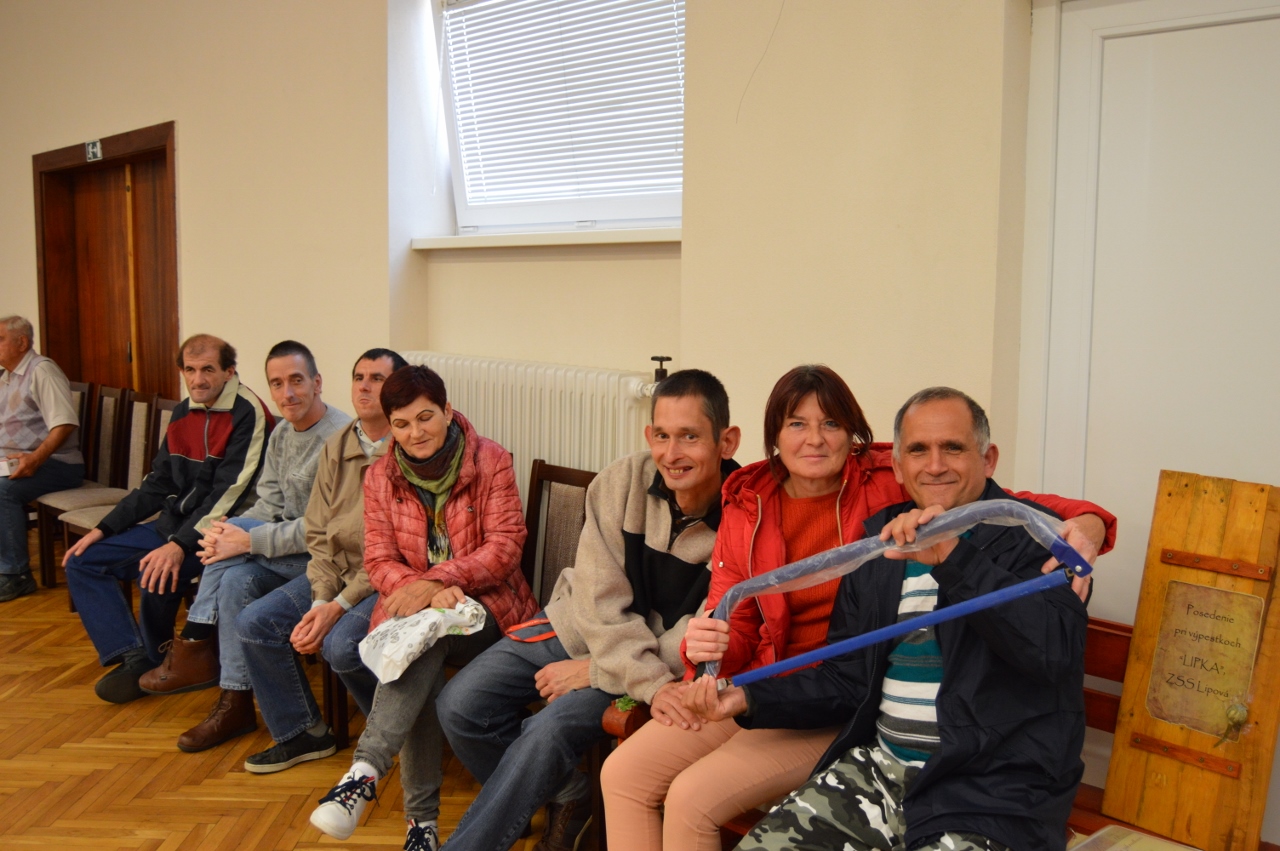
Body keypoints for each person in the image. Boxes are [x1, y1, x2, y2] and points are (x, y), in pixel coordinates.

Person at [600, 366, 1115, 851]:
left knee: (692, 797)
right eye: (796, 424)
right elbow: (838, 672)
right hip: (852, 744)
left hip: (981, 791)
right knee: (627, 775)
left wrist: (1082, 525)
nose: (935, 465)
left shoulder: (1023, 536)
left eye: (953, 448)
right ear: (901, 465)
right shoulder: (867, 535)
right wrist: (730, 678)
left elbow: (1050, 644)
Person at [434, 369, 743, 851]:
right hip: (581, 627)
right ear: (649, 436)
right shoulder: (621, 481)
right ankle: (569, 794)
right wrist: (601, 662)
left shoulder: (746, 518)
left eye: (690, 437)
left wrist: (597, 672)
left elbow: (699, 637)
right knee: (460, 705)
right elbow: (598, 598)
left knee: (546, 732)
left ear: (727, 441)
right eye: (663, 436)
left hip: (651, 666)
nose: (672, 453)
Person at [308, 364, 534, 851]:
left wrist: (440, 580)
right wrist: (426, 594)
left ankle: (371, 778)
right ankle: (420, 828)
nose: (415, 433)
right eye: (402, 424)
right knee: (422, 648)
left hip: (490, 608)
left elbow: (506, 547)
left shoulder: (491, 459)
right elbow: (378, 560)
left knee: (422, 638)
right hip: (417, 612)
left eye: (425, 417)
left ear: (447, 411)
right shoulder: (379, 475)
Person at [137, 341, 350, 753]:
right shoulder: (282, 433)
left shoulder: (340, 439)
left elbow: (330, 530)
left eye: (296, 381)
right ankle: (237, 703)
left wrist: (247, 539)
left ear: (317, 382)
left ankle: (196, 640)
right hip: (287, 555)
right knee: (233, 572)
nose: (287, 393)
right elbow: (268, 504)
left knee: (233, 541)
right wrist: (226, 533)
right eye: (277, 384)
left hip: (328, 562)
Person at [63, 334, 273, 704]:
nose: (198, 380)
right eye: (190, 370)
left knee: (157, 573)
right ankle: (134, 655)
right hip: (174, 524)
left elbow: (229, 494)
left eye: (208, 370)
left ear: (229, 372)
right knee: (82, 560)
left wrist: (177, 546)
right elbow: (157, 483)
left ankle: (162, 658)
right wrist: (103, 528)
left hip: (223, 532)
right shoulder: (183, 412)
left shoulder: (248, 412)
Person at [231, 348, 407, 771]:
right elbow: (318, 533)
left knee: (339, 644)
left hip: (384, 578)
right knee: (256, 622)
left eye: (378, 379)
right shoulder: (338, 445)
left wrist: (337, 606)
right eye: (359, 377)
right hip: (336, 575)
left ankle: (397, 734)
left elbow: (393, 553)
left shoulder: (406, 450)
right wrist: (320, 600)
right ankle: (303, 733)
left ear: (399, 391)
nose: (364, 387)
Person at [0, 315, 84, 603]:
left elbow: (65, 424)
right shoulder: (7, 375)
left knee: (2, 491)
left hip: (58, 464)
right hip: (15, 459)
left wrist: (34, 460)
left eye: (0, 339)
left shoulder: (42, 371)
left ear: (22, 343)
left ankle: (16, 575)